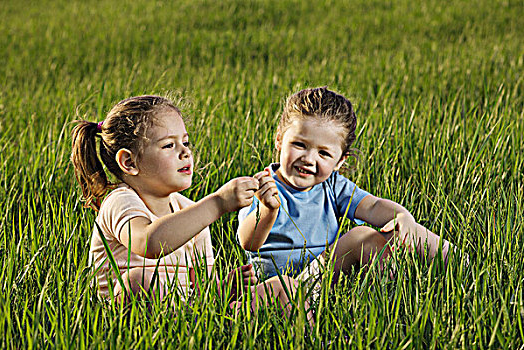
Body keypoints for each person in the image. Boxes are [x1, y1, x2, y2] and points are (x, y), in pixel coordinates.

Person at [70, 95, 310, 319]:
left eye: (185, 142)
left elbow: (204, 290)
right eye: (168, 146)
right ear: (129, 162)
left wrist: (226, 287)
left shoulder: (189, 210)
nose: (185, 152)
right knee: (141, 279)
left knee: (284, 286)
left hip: (189, 314)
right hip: (130, 314)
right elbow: (148, 242)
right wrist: (217, 203)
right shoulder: (120, 201)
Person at [237, 87, 452, 283]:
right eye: (299, 145)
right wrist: (267, 210)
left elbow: (373, 206)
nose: (309, 159)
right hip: (275, 284)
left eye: (323, 153)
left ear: (340, 161)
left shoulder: (332, 186)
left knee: (396, 230)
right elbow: (249, 243)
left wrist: (404, 217)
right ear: (279, 140)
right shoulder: (264, 186)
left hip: (321, 277)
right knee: (360, 235)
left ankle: (455, 266)